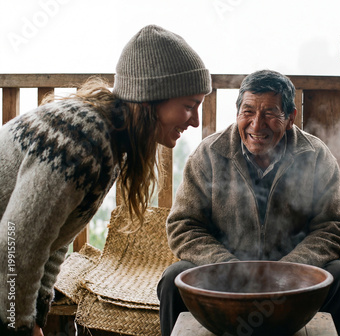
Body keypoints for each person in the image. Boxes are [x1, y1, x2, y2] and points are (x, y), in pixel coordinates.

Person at [0, 24, 211, 336]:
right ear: (151, 99)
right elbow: (17, 242)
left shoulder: (111, 139)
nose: (195, 120)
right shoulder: (79, 140)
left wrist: (38, 314)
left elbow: (54, 236)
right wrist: (19, 324)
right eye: (189, 106)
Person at [157, 69, 340, 336]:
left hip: (295, 282)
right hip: (227, 280)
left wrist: (289, 271)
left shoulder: (315, 156)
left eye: (269, 113)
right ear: (237, 114)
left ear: (290, 118)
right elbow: (183, 226)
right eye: (248, 112)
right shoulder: (208, 154)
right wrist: (230, 268)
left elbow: (334, 227)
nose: (257, 125)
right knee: (174, 279)